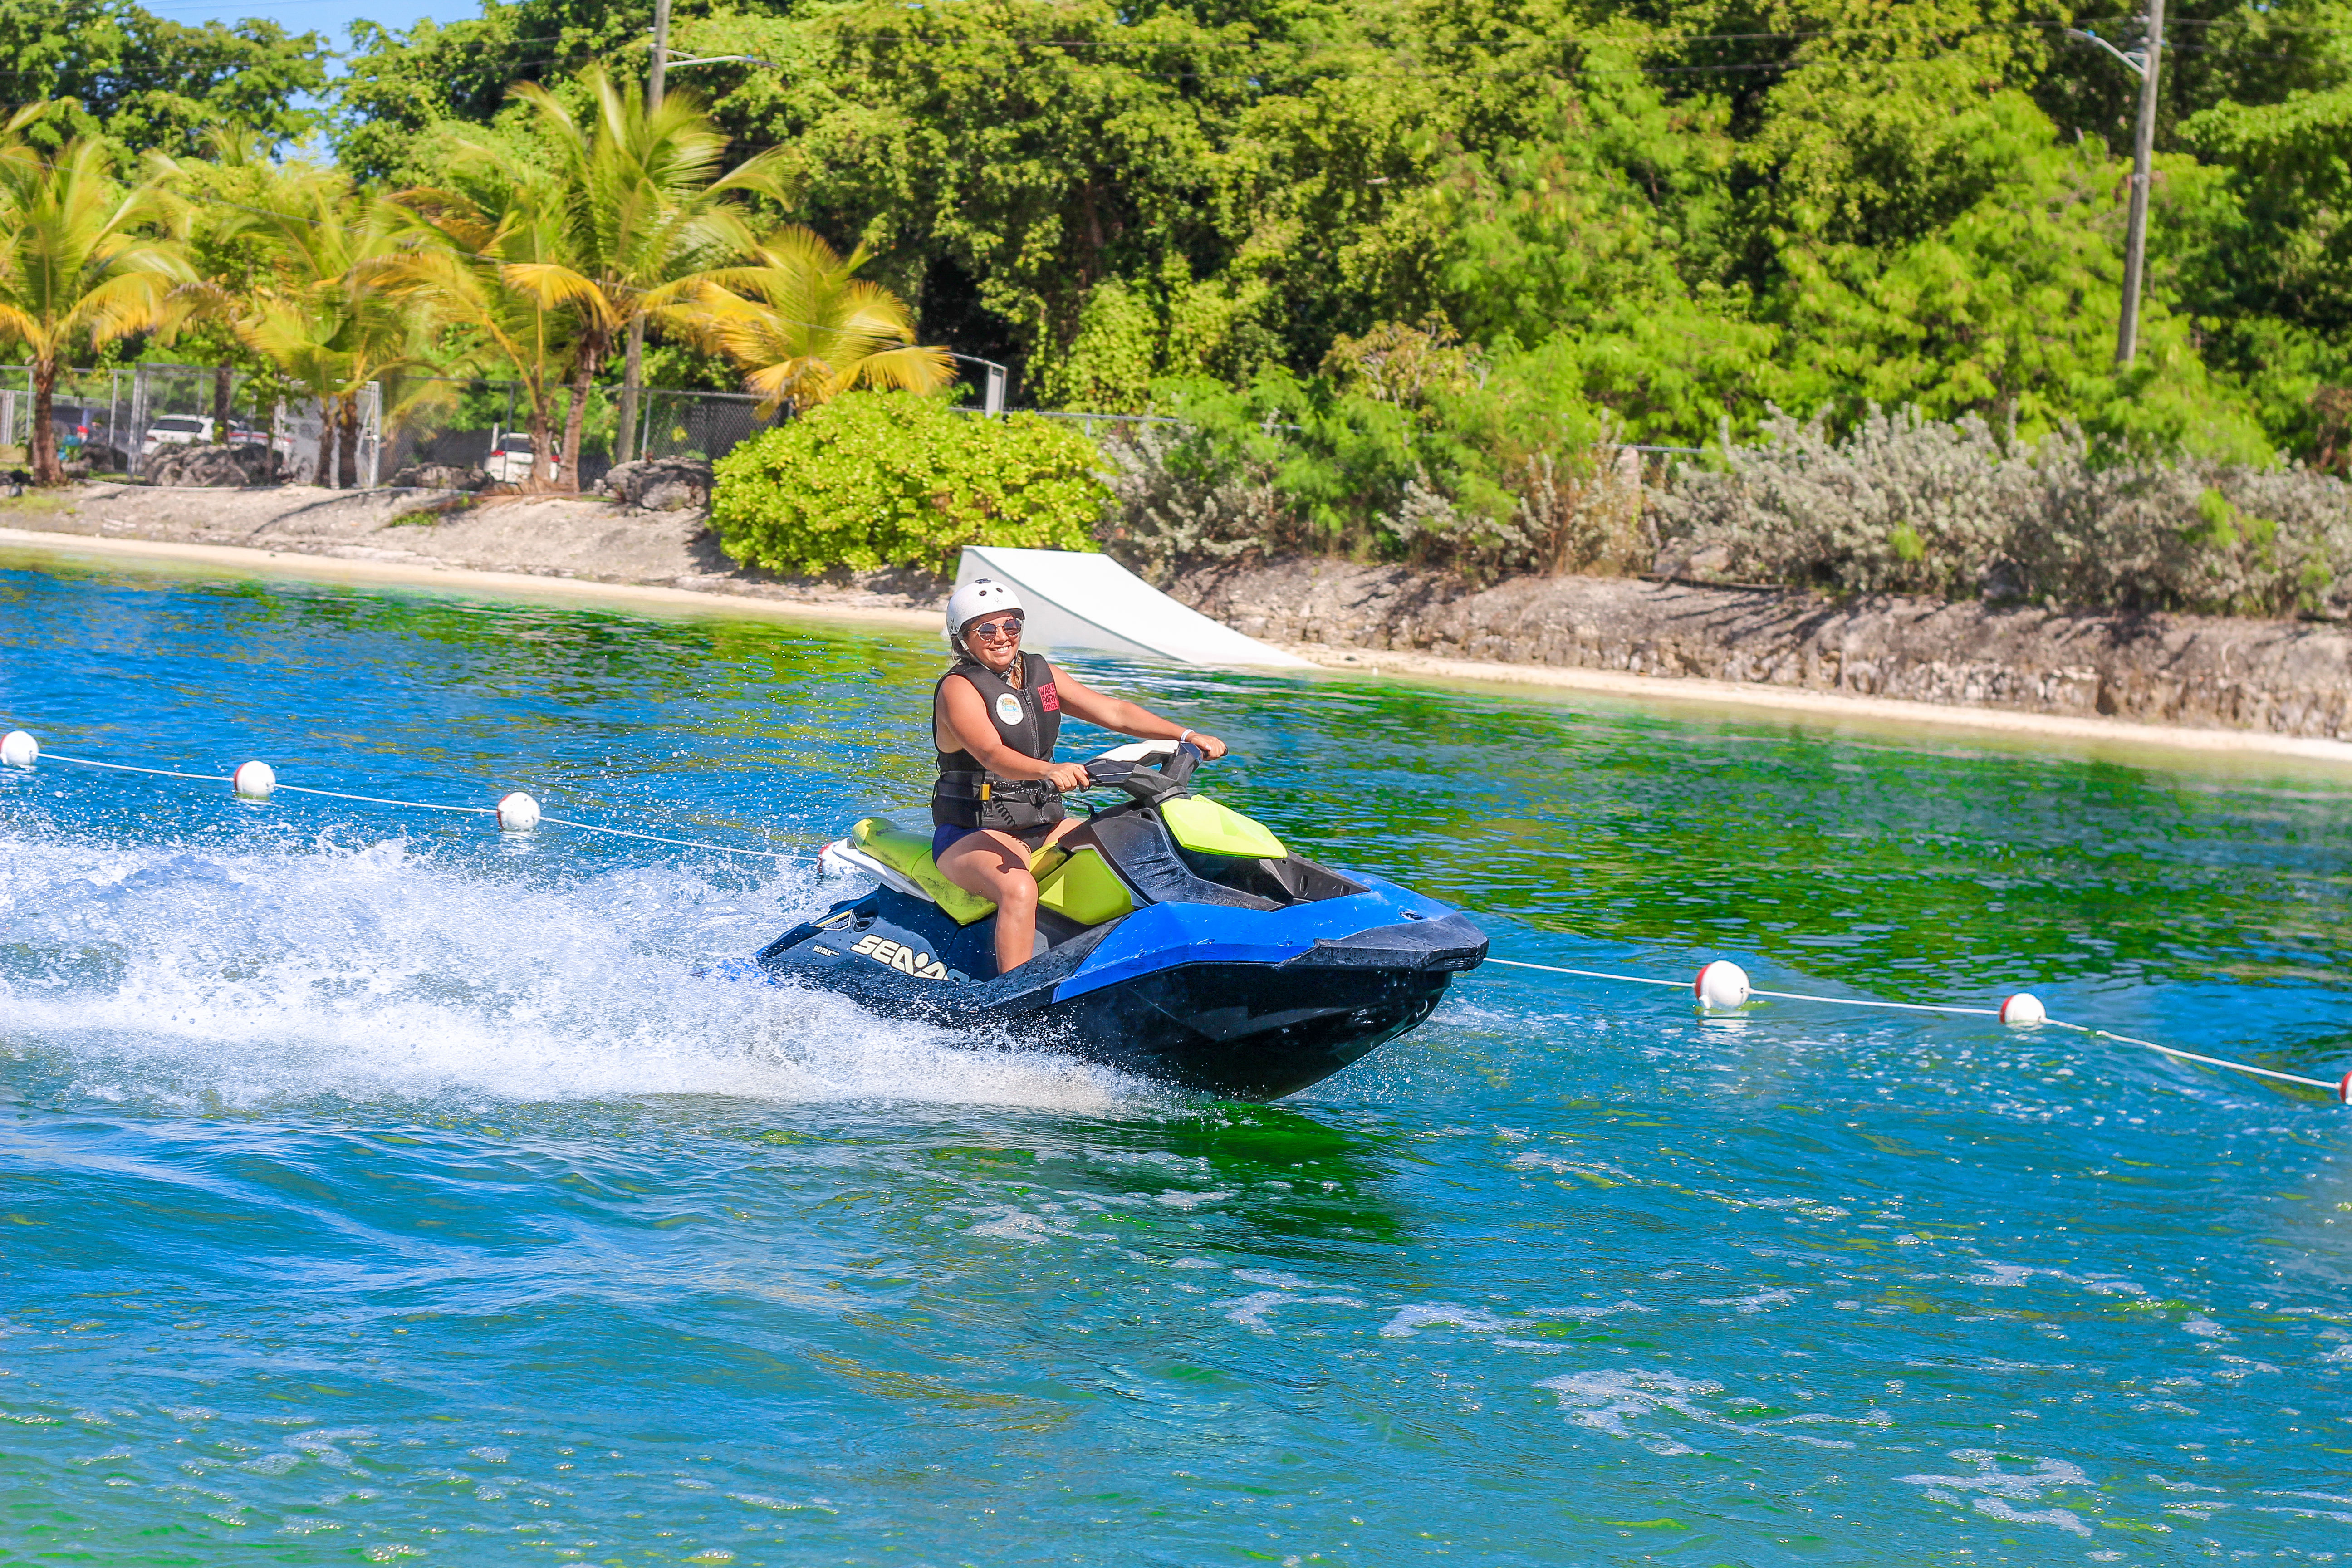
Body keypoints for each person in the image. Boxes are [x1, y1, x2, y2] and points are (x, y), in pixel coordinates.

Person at [931, 578, 1227, 975]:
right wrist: (1050, 771)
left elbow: (1115, 713)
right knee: (1019, 889)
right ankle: (1013, 999)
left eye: (1011, 627)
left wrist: (1186, 735)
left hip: (1041, 822)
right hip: (970, 832)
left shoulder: (1042, 675)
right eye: (987, 629)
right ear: (963, 637)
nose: (1002, 637)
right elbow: (992, 754)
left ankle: (1153, 952)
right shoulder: (959, 688)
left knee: (1128, 845)